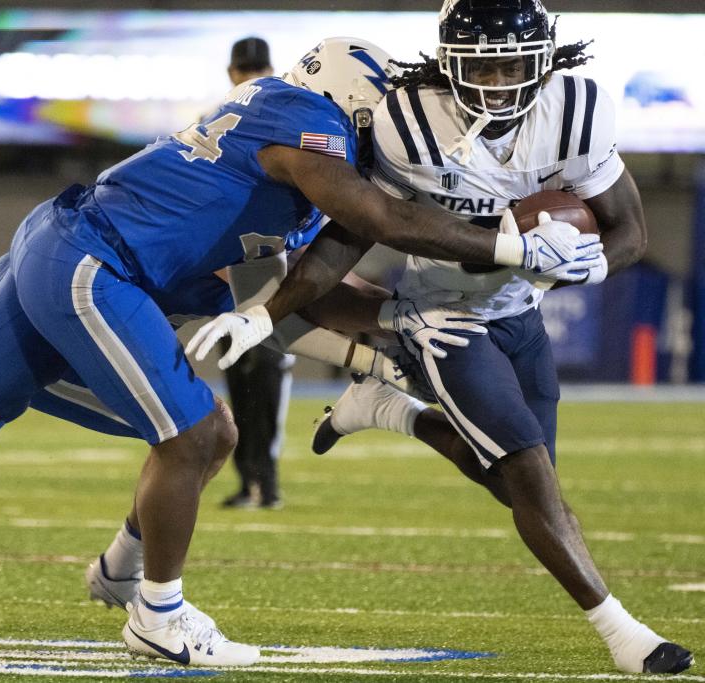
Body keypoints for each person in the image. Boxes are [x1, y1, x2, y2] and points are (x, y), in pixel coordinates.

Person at [0, 36, 597, 667]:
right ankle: (156, 612)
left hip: (77, 247)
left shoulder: (288, 139)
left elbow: (291, 286)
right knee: (197, 434)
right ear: (360, 101)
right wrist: (510, 248)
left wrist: (393, 325)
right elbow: (373, 222)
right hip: (95, 260)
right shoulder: (306, 125)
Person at [188, 3, 692, 676]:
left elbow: (628, 229)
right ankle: (625, 634)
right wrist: (267, 311)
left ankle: (392, 410)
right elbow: (359, 231)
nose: (496, 81)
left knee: (520, 488)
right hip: (444, 311)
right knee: (530, 479)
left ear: (545, 59)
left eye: (511, 63)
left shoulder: (575, 109)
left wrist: (588, 263)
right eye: (479, 65)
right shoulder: (408, 121)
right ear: (448, 63)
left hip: (520, 310)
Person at [221, 36, 290, 510]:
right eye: (245, 70)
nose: (249, 77)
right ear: (232, 74)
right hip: (230, 280)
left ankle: (267, 480)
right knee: (239, 382)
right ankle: (248, 481)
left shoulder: (288, 124)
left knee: (267, 375)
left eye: (256, 69)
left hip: (272, 278)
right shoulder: (214, 122)